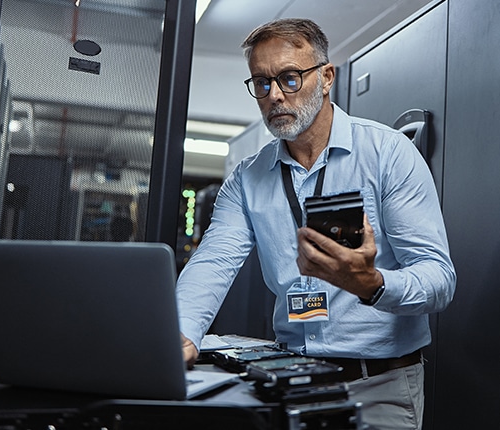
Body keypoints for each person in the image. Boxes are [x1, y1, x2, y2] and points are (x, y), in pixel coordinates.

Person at [176, 18, 455, 429]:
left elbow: (439, 279)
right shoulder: (248, 177)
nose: (273, 95)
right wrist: (180, 334)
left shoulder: (388, 154)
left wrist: (373, 286)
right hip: (290, 381)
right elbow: (214, 260)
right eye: (261, 83)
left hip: (379, 385)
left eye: (289, 78)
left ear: (326, 78)